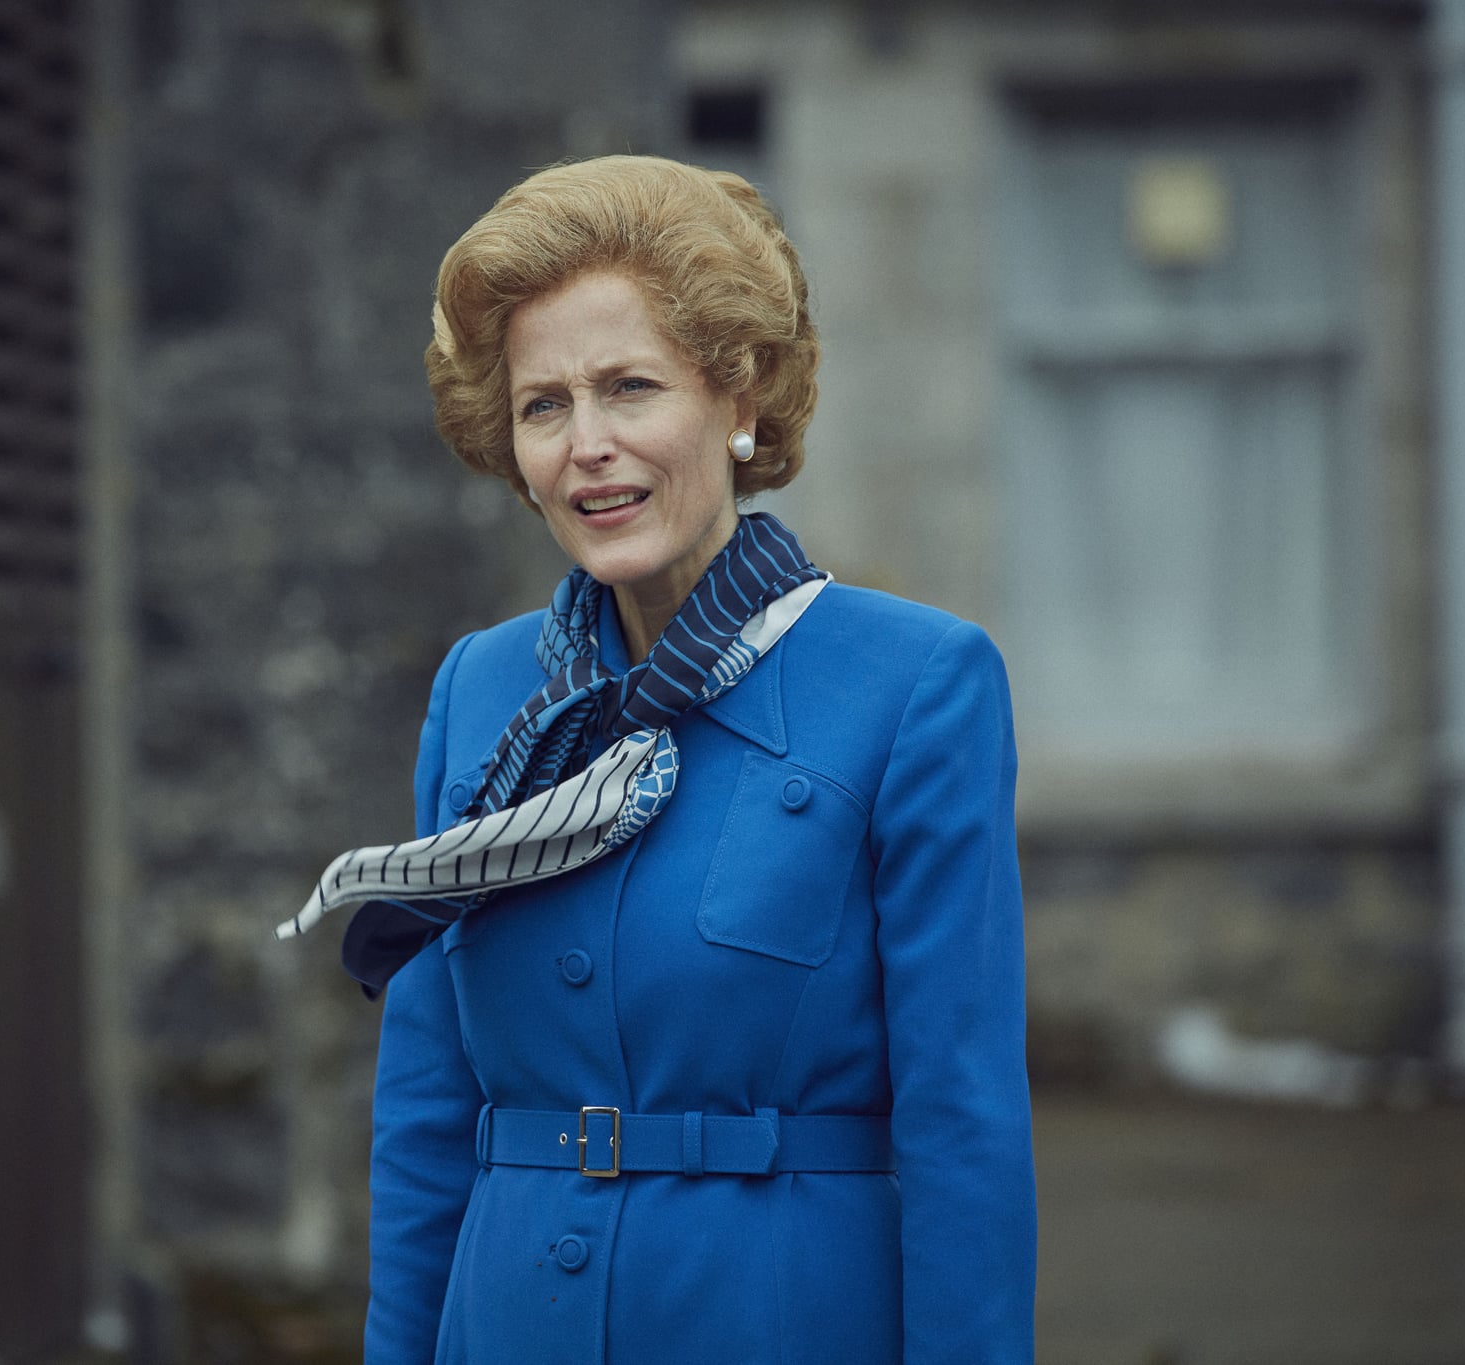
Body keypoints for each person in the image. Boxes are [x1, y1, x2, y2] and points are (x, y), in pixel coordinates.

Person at [277, 155, 1035, 1363]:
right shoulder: (483, 692)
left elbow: (963, 1121)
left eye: (630, 388)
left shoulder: (913, 684)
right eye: (543, 405)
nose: (587, 445)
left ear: (735, 399)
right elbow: (425, 1110)